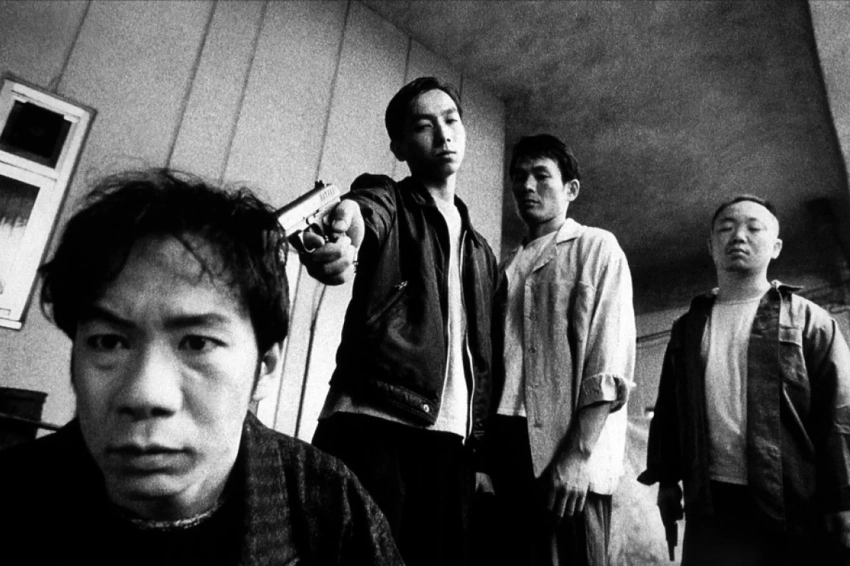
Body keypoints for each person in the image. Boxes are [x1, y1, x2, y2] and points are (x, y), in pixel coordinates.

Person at [0, 169, 402, 565]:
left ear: (265, 366)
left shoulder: (331, 507)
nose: (145, 394)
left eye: (197, 343)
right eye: (108, 342)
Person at [299, 76, 501, 565]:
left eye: (451, 120)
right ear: (400, 145)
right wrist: (345, 230)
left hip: (451, 444)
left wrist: (480, 452)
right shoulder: (388, 196)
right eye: (424, 126)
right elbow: (361, 212)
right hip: (373, 423)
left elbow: (488, 360)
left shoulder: (483, 254)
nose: (443, 134)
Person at [639, 195, 850, 565]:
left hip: (794, 502)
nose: (738, 236)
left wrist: (843, 499)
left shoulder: (811, 322)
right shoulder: (688, 328)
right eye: (726, 228)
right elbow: (670, 410)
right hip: (711, 502)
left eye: (754, 228)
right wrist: (667, 481)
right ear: (710, 245)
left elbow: (839, 415)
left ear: (776, 247)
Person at [484, 134, 635, 566]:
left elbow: (608, 362)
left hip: (565, 445)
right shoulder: (504, 268)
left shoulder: (597, 248)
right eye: (519, 177)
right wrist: (483, 458)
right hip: (506, 443)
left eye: (540, 175)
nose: (526, 186)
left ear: (571, 189)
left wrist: (577, 455)